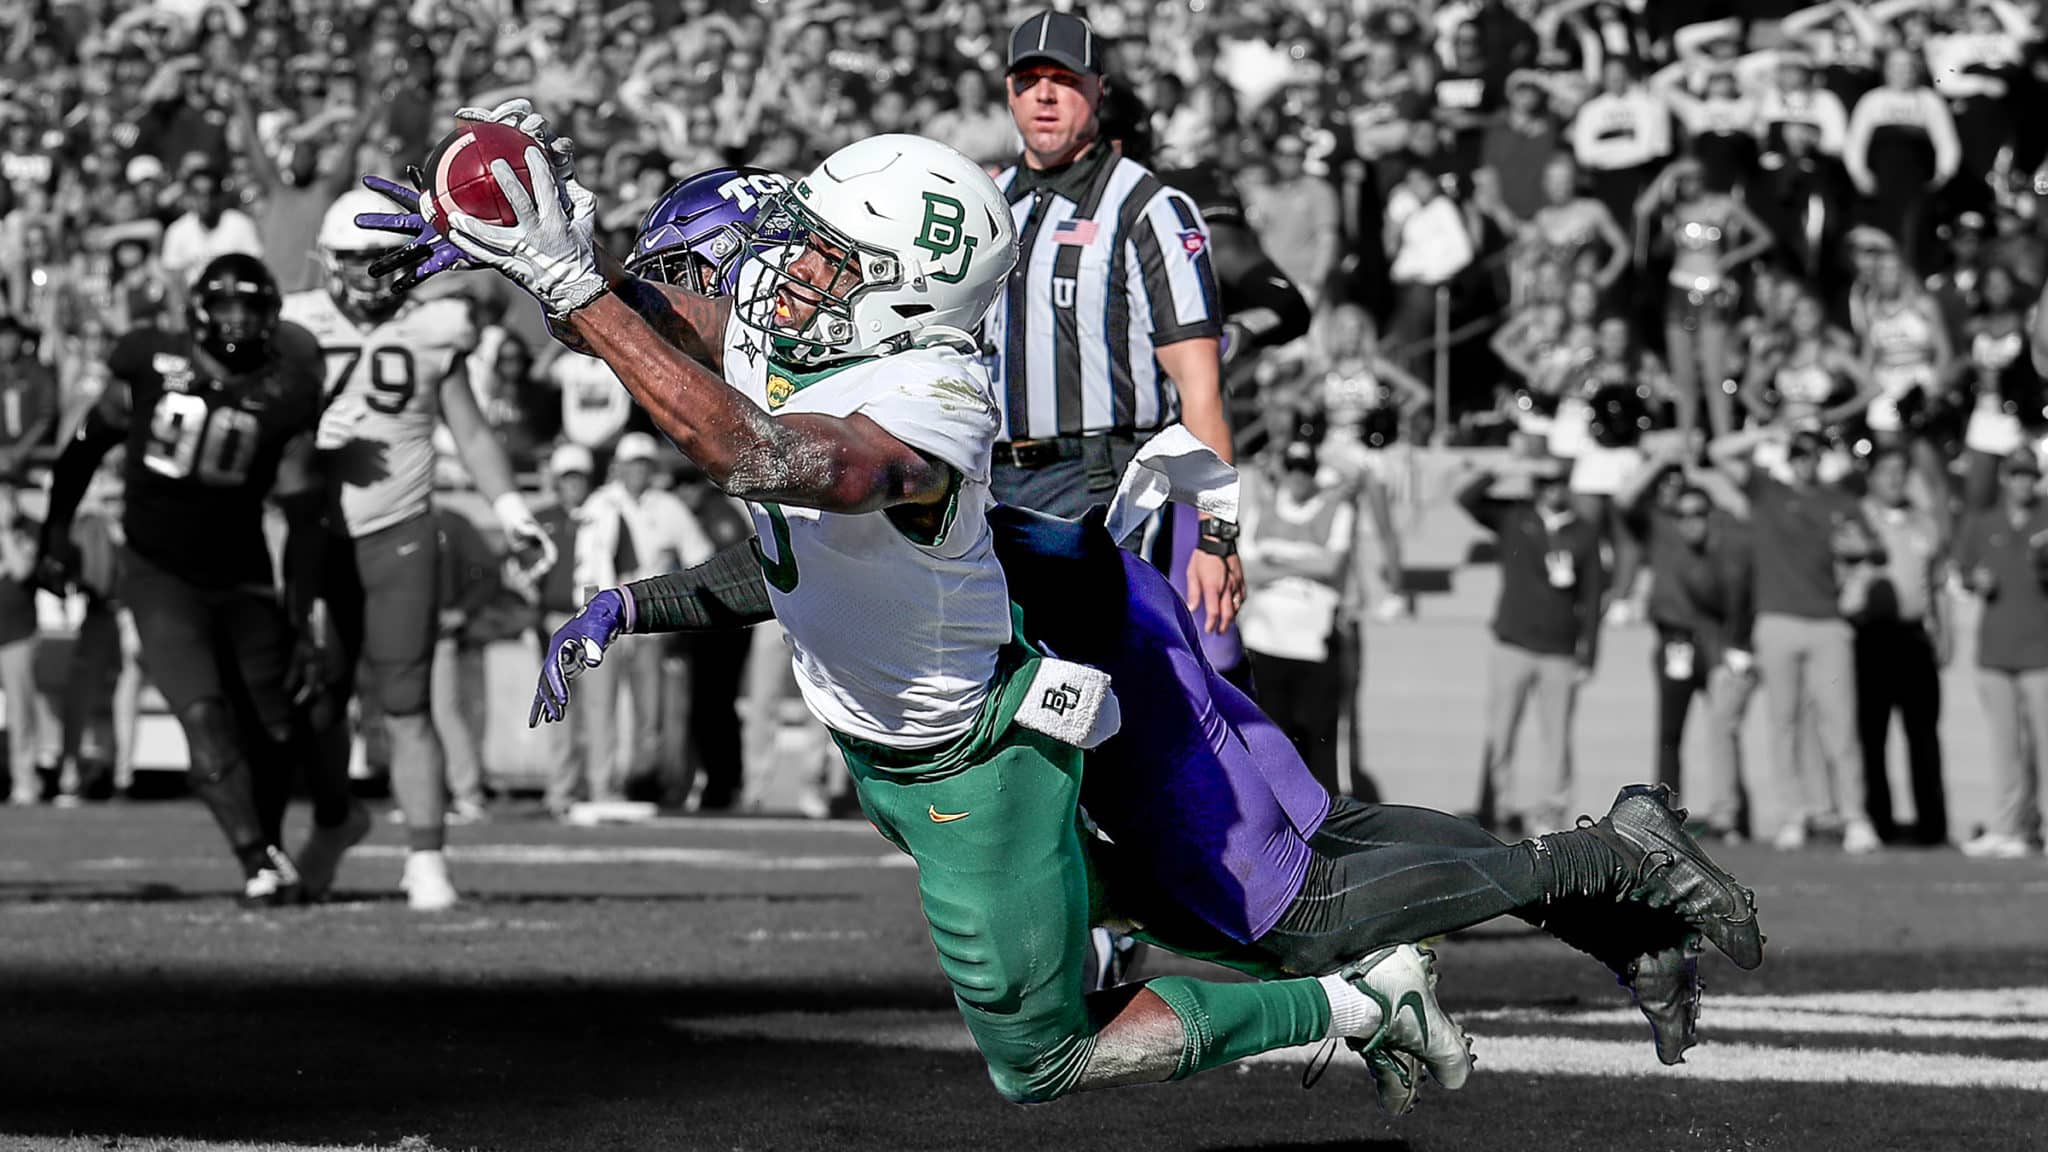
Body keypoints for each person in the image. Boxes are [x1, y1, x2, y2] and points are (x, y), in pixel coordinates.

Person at [362, 118, 1764, 1099]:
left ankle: (1597, 867)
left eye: (805, 259)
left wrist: (570, 279)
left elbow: (758, 456)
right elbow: (772, 517)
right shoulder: (802, 350)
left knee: (1283, 916)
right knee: (1276, 883)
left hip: (1053, 651)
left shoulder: (911, 387)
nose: (768, 280)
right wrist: (519, 263)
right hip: (1056, 604)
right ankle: (1595, 905)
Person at [280, 188, 552, 911]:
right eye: (357, 261)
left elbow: (468, 430)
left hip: (398, 532)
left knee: (407, 703)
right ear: (331, 264)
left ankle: (426, 856)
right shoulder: (293, 327)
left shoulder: (436, 328)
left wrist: (514, 510)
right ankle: (334, 824)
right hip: (313, 540)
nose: (369, 275)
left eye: (381, 261)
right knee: (315, 704)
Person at [36, 254, 338, 905]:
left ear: (270, 317)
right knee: (202, 714)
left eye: (248, 308)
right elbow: (87, 444)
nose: (235, 321)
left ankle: (272, 848)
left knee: (276, 725)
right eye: (224, 305)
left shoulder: (288, 390)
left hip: (243, 572)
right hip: (159, 571)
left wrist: (306, 607)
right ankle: (257, 861)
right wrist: (55, 532)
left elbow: (304, 509)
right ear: (199, 310)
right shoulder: (148, 359)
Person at [982, 10, 1243, 644]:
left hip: (1101, 483)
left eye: (1063, 79)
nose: (1044, 94)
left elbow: (1200, 387)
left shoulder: (1149, 207)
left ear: (1099, 89)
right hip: (990, 484)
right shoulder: (988, 201)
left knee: (1089, 691)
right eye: (1028, 79)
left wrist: (1217, 538)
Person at [1710, 425, 1880, 854]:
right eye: (1799, 454)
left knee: (1839, 723)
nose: (1806, 461)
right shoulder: (1768, 491)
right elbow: (1720, 449)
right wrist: (1770, 428)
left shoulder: (1839, 501)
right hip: (1777, 620)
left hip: (1827, 620)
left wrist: (1859, 559)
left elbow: (1874, 552)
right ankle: (1793, 814)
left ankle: (1854, 815)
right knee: (1782, 723)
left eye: (1811, 454)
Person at [1459, 454, 1606, 837]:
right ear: (1536, 486)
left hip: (1559, 649)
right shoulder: (1514, 517)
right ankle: (1500, 806)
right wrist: (1502, 467)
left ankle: (1552, 812)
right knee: (1502, 731)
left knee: (1557, 736)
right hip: (1514, 643)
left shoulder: (1584, 532)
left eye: (1559, 483)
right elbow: (1466, 499)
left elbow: (1592, 597)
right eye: (1546, 483)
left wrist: (1589, 653)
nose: (1553, 490)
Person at [1617, 437, 1755, 840]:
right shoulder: (1659, 522)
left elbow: (1739, 512)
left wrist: (1692, 470)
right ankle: (1665, 813)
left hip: (1712, 637)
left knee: (1724, 728)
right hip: (1673, 638)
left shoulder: (1712, 524)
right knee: (1670, 733)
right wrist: (1660, 459)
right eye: (1667, 484)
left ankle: (1731, 814)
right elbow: (1626, 498)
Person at [1238, 433, 1354, 797]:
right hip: (1266, 640)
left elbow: (1331, 565)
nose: (1299, 477)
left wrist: (1277, 563)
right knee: (1273, 739)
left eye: (1306, 469)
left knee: (1319, 743)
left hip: (1314, 642)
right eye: (1292, 468)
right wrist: (1303, 565)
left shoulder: (1337, 510)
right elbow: (1247, 570)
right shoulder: (1262, 511)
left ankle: (1327, 827)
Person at [1849, 448, 1948, 847]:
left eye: (1900, 471)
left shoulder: (1924, 523)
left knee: (1923, 734)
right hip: (1872, 637)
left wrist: (1944, 633)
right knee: (1872, 736)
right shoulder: (1857, 517)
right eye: (1886, 471)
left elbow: (1937, 582)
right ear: (1871, 476)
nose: (1894, 479)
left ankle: (1932, 827)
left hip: (1914, 637)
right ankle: (1880, 824)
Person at [1954, 449, 2048, 859]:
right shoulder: (1983, 521)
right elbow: (1963, 573)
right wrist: (1976, 581)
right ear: (2005, 478)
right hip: (1995, 650)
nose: (2023, 482)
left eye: (2030, 475)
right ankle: (2009, 828)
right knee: (2005, 747)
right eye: (2017, 475)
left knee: (2045, 745)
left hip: (2041, 650)